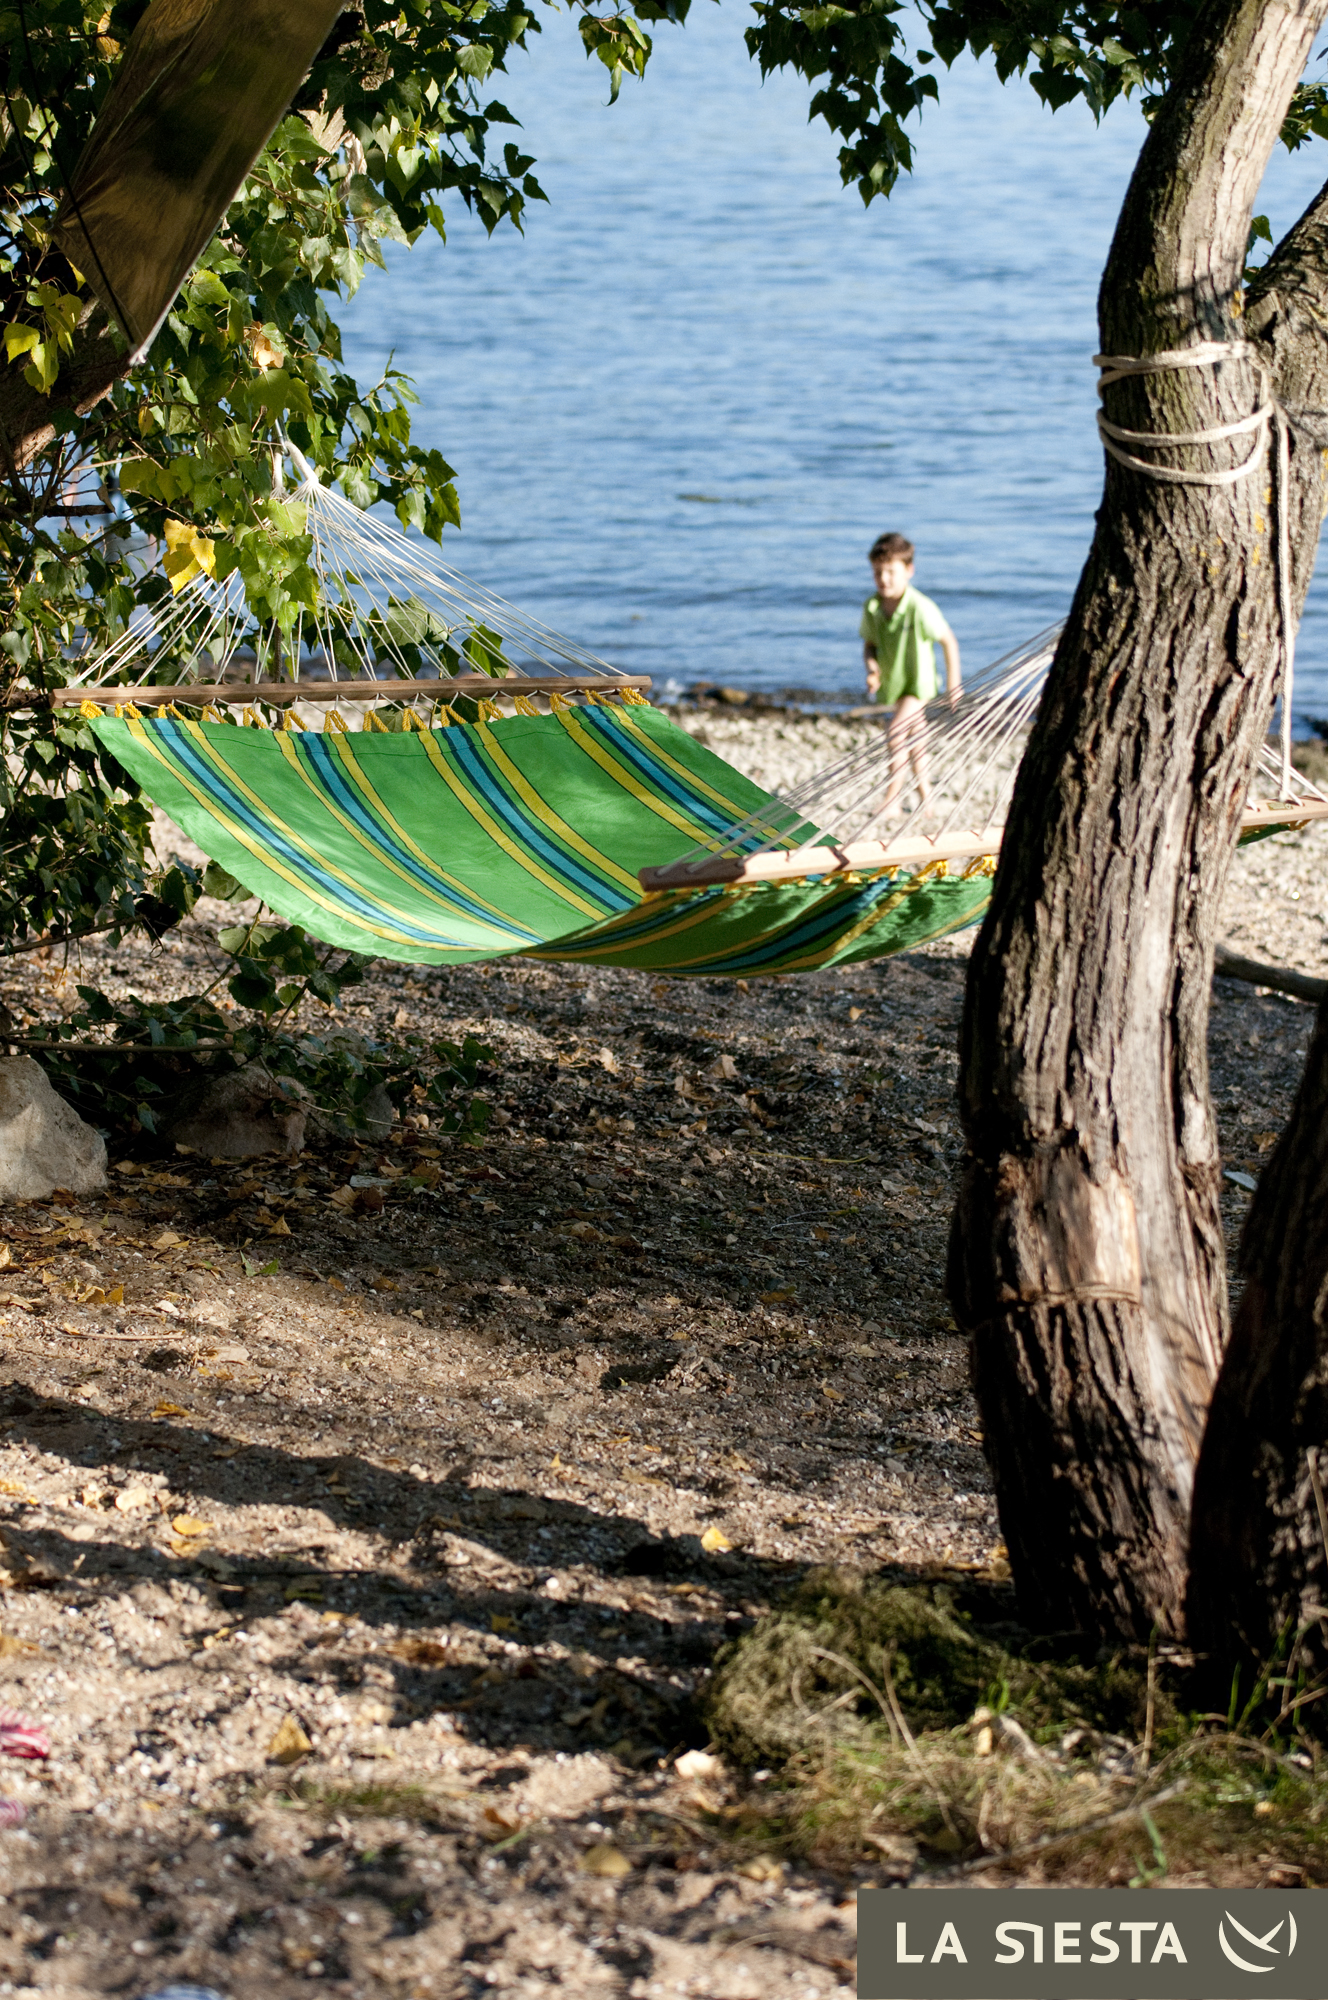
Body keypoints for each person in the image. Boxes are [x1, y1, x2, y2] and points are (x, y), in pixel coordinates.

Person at [860, 532, 961, 812]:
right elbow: (869, 646)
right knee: (917, 742)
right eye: (877, 572)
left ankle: (892, 798)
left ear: (909, 571)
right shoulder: (872, 607)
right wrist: (872, 669)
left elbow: (948, 641)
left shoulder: (920, 607)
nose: (884, 579)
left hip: (919, 684)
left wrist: (954, 684)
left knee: (895, 732)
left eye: (891, 572)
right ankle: (926, 797)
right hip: (895, 683)